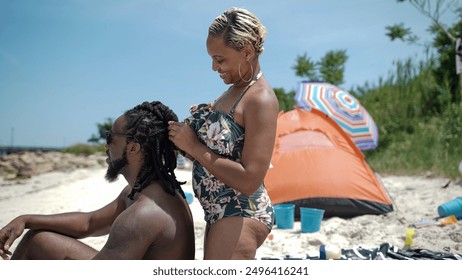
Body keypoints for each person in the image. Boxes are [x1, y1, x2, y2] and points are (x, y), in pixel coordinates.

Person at [0, 101, 195, 260]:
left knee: (36, 242)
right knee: (36, 236)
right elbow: (90, 222)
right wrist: (25, 220)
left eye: (110, 138)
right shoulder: (144, 191)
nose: (105, 145)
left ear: (133, 148)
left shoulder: (143, 214)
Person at [168, 7, 278, 260]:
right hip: (220, 212)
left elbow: (250, 180)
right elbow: (219, 155)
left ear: (247, 52)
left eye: (220, 59)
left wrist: (194, 147)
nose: (214, 67)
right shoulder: (233, 92)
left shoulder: (260, 99)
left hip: (241, 211)